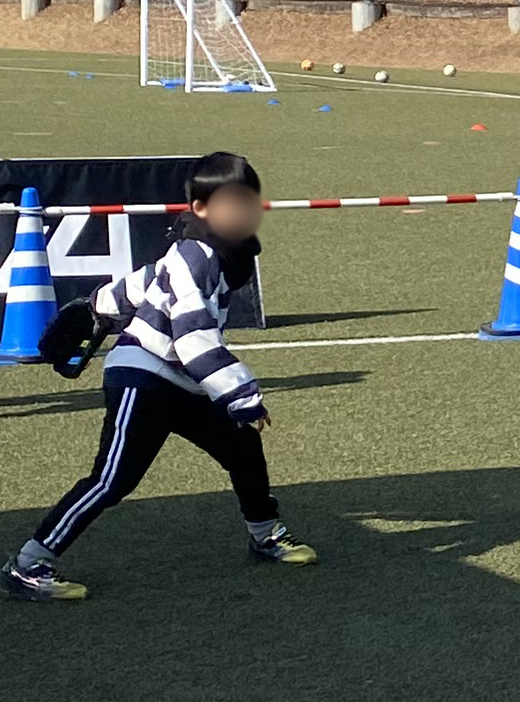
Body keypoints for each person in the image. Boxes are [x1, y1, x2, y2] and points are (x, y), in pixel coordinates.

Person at [7, 151, 316, 600]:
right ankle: (28, 565)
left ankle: (265, 533)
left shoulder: (220, 249)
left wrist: (95, 306)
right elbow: (192, 337)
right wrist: (243, 395)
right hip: (143, 374)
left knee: (242, 444)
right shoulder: (197, 252)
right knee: (113, 479)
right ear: (201, 209)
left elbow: (145, 280)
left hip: (182, 379)